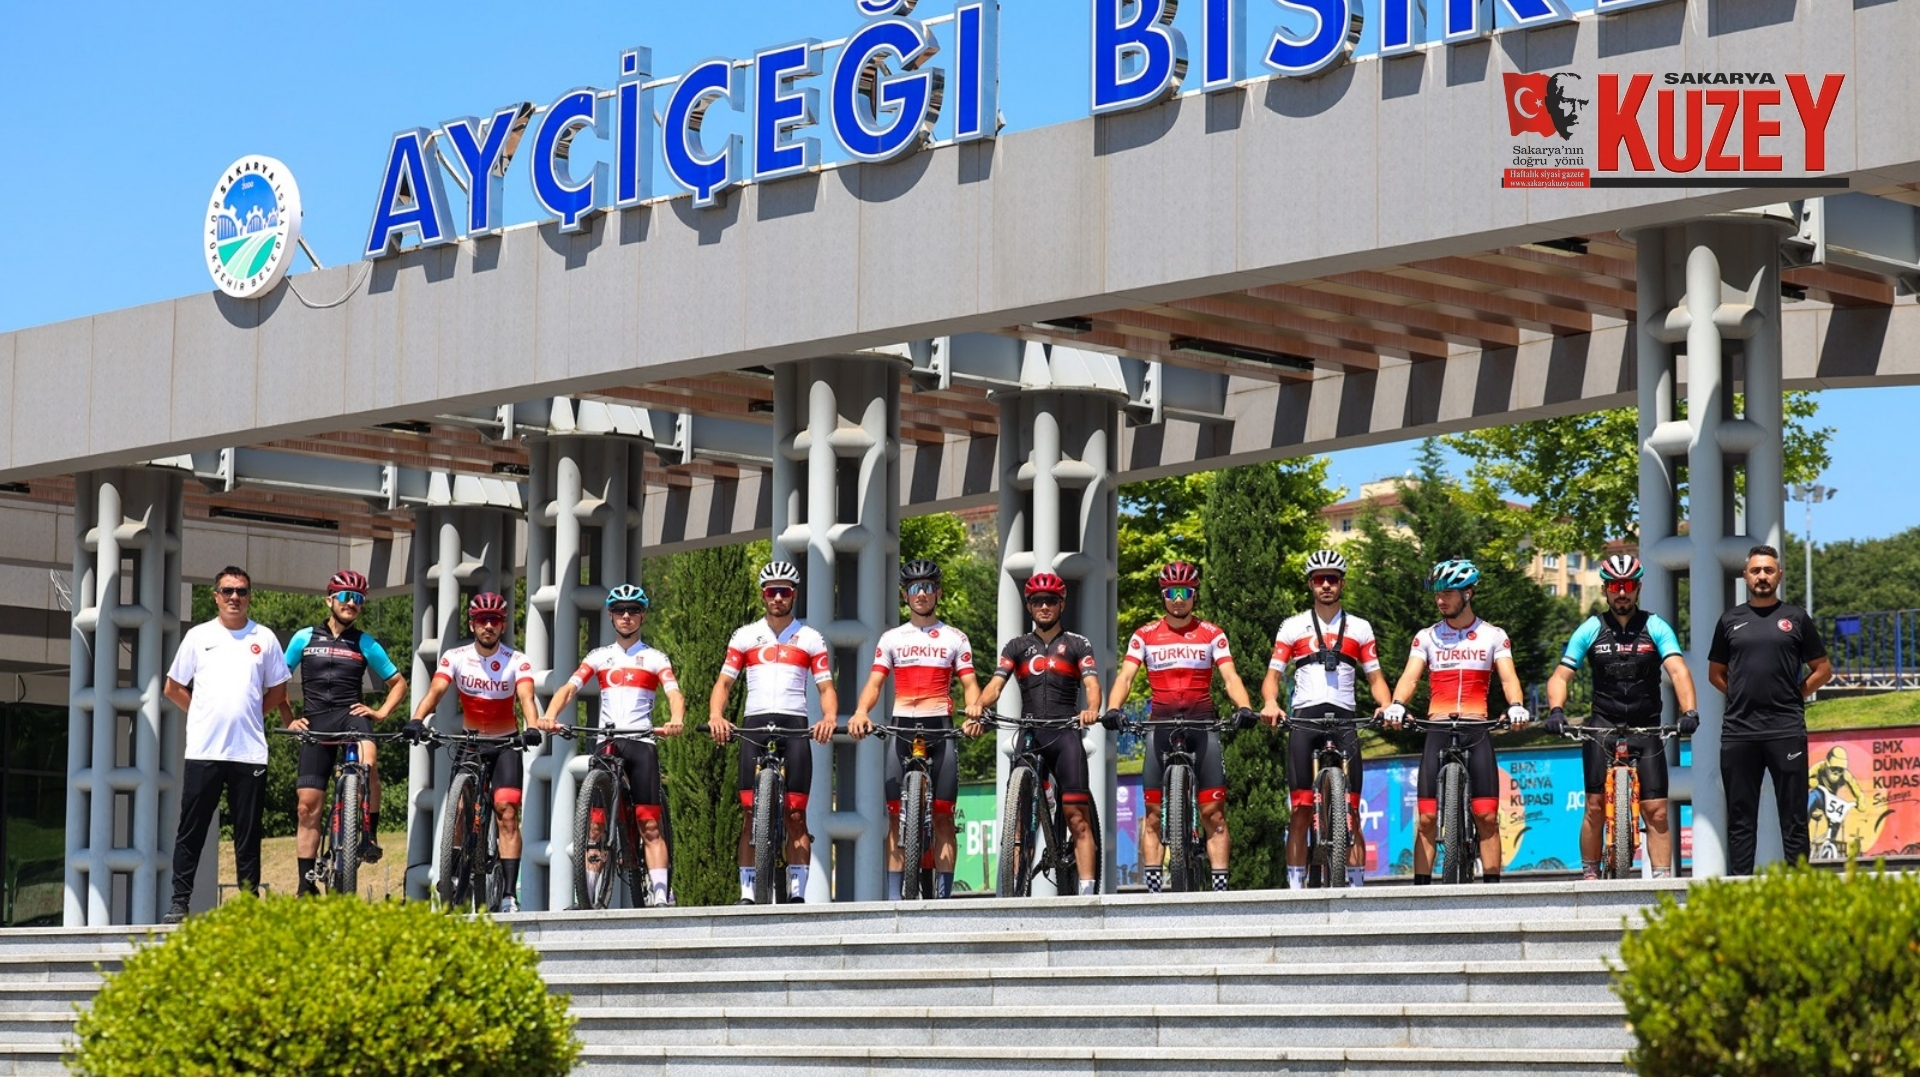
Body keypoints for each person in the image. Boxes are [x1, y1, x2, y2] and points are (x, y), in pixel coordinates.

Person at [1103, 561, 1256, 893]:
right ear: (1163, 595)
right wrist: (1113, 709)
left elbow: (1230, 677)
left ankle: (1219, 892)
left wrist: (1244, 707)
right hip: (1160, 727)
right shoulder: (1144, 635)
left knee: (1214, 815)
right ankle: (1154, 893)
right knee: (1153, 815)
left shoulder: (1212, 633)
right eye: (1171, 592)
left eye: (1184, 592)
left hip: (1202, 727)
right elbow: (1126, 677)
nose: (1177, 600)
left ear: (1194, 595)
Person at [1544, 554, 1699, 879]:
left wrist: (1689, 711)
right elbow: (1561, 676)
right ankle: (1590, 875)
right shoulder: (1591, 628)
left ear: (1638, 587)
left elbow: (1678, 671)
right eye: (1615, 586)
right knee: (1595, 807)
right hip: (1602, 725)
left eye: (1628, 585)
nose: (1622, 592)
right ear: (1605, 590)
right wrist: (1556, 710)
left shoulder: (1655, 626)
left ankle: (1662, 881)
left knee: (1657, 811)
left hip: (1647, 725)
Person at [1382, 559, 1531, 884]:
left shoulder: (1493, 635)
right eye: (1437, 593)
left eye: (1448, 593)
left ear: (1468, 593)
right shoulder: (1427, 637)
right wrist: (1397, 704)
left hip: (1476, 727)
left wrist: (1516, 706)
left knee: (1486, 816)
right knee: (1426, 819)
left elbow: (1508, 679)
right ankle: (1421, 891)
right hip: (1438, 726)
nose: (1440, 600)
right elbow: (1410, 677)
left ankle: (1492, 890)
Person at [161, 566, 293, 923]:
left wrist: (252, 713)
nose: (234, 597)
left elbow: (279, 690)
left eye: (241, 591)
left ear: (250, 597)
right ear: (215, 596)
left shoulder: (264, 638)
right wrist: (201, 711)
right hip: (204, 751)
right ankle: (179, 902)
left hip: (249, 752)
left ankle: (248, 903)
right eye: (227, 591)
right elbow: (172, 687)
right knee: (191, 830)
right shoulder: (198, 636)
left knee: (247, 833)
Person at [540, 583, 686, 907]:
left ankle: (660, 893)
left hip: (641, 741)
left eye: (633, 610)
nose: (626, 616)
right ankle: (588, 897)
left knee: (649, 823)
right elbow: (569, 688)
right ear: (610, 615)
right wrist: (549, 715)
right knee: (595, 825)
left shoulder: (654, 657)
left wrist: (676, 718)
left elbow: (674, 693)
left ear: (642, 616)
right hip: (607, 741)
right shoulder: (599, 656)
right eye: (620, 610)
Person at [404, 591, 546, 913]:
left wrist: (533, 726)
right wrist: (416, 719)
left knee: (507, 813)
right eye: (482, 620)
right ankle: (453, 873)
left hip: (506, 745)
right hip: (470, 743)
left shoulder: (517, 660)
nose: (488, 626)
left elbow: (526, 697)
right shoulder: (455, 657)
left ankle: (508, 895)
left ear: (503, 625)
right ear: (472, 624)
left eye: (494, 620)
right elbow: (436, 690)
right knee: (458, 810)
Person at [848, 559, 982, 900]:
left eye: (927, 587)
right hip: (902, 728)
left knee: (943, 818)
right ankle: (895, 899)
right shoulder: (892, 638)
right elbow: (875, 683)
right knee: (895, 817)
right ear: (905, 595)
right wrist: (861, 712)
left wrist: (974, 713)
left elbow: (969, 684)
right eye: (914, 588)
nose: (921, 594)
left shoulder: (955, 637)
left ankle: (944, 899)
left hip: (940, 728)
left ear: (938, 593)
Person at [708, 560, 837, 904]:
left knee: (796, 814)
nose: (777, 597)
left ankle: (797, 893)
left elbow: (826, 687)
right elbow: (724, 683)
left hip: (794, 723)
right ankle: (748, 893)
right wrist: (716, 715)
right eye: (771, 591)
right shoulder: (745, 635)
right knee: (750, 813)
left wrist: (828, 717)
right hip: (754, 722)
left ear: (794, 595)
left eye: (784, 591)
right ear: (763, 595)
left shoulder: (810, 637)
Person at [1261, 549, 1392, 890]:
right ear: (1310, 585)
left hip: (1345, 718)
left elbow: (1375, 678)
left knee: (1351, 812)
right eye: (1319, 580)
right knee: (1300, 810)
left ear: (1342, 584)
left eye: (1332, 579)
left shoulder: (1360, 627)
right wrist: (1271, 703)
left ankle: (1357, 887)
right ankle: (1295, 889)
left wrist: (1386, 705)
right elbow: (1273, 676)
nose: (1326, 585)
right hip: (1305, 717)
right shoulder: (1292, 626)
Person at [976, 572, 1104, 896]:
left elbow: (1092, 684)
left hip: (1065, 733)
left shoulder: (1077, 644)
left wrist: (1091, 709)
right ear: (1028, 606)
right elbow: (996, 685)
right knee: (1019, 823)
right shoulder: (1017, 646)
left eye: (1050, 601)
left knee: (1077, 817)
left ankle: (1088, 893)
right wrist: (978, 705)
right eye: (1037, 601)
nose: (1044, 606)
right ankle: (1015, 890)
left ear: (1061, 604)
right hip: (1030, 733)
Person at [1708, 544, 1832, 874]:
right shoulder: (1729, 620)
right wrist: (1740, 696)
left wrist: (1795, 695)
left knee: (1794, 816)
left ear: (1779, 575)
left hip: (1785, 729)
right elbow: (1715, 674)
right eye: (1755, 571)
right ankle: (1740, 889)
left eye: (1768, 570)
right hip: (1739, 732)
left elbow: (1822, 669)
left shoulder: (1796, 618)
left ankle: (1799, 886)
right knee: (1740, 817)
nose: (1761, 576)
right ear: (1745, 576)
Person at [283, 569, 408, 895]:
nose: (352, 603)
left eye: (359, 599)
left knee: (369, 761)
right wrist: (289, 718)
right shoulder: (304, 637)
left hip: (351, 716)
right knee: (306, 806)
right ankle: (305, 886)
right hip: (315, 721)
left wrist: (381, 713)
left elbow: (398, 683)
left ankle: (368, 833)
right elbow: (276, 679)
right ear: (330, 600)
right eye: (345, 596)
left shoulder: (365, 642)